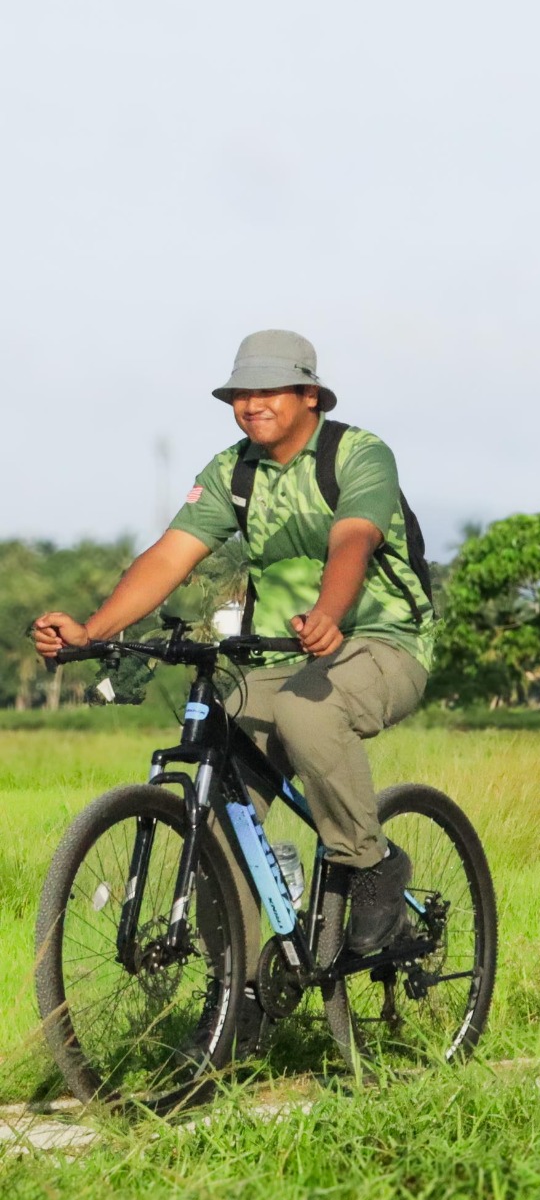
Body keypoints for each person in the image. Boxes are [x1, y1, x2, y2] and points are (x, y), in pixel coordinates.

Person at [32, 331, 434, 958]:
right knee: (217, 803)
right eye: (241, 394)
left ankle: (371, 863)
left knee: (305, 712)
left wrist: (329, 614)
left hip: (381, 642)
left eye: (269, 390)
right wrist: (94, 631)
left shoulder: (358, 455)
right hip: (275, 657)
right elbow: (170, 556)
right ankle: (237, 994)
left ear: (309, 394)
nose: (251, 404)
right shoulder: (233, 472)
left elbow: (353, 539)